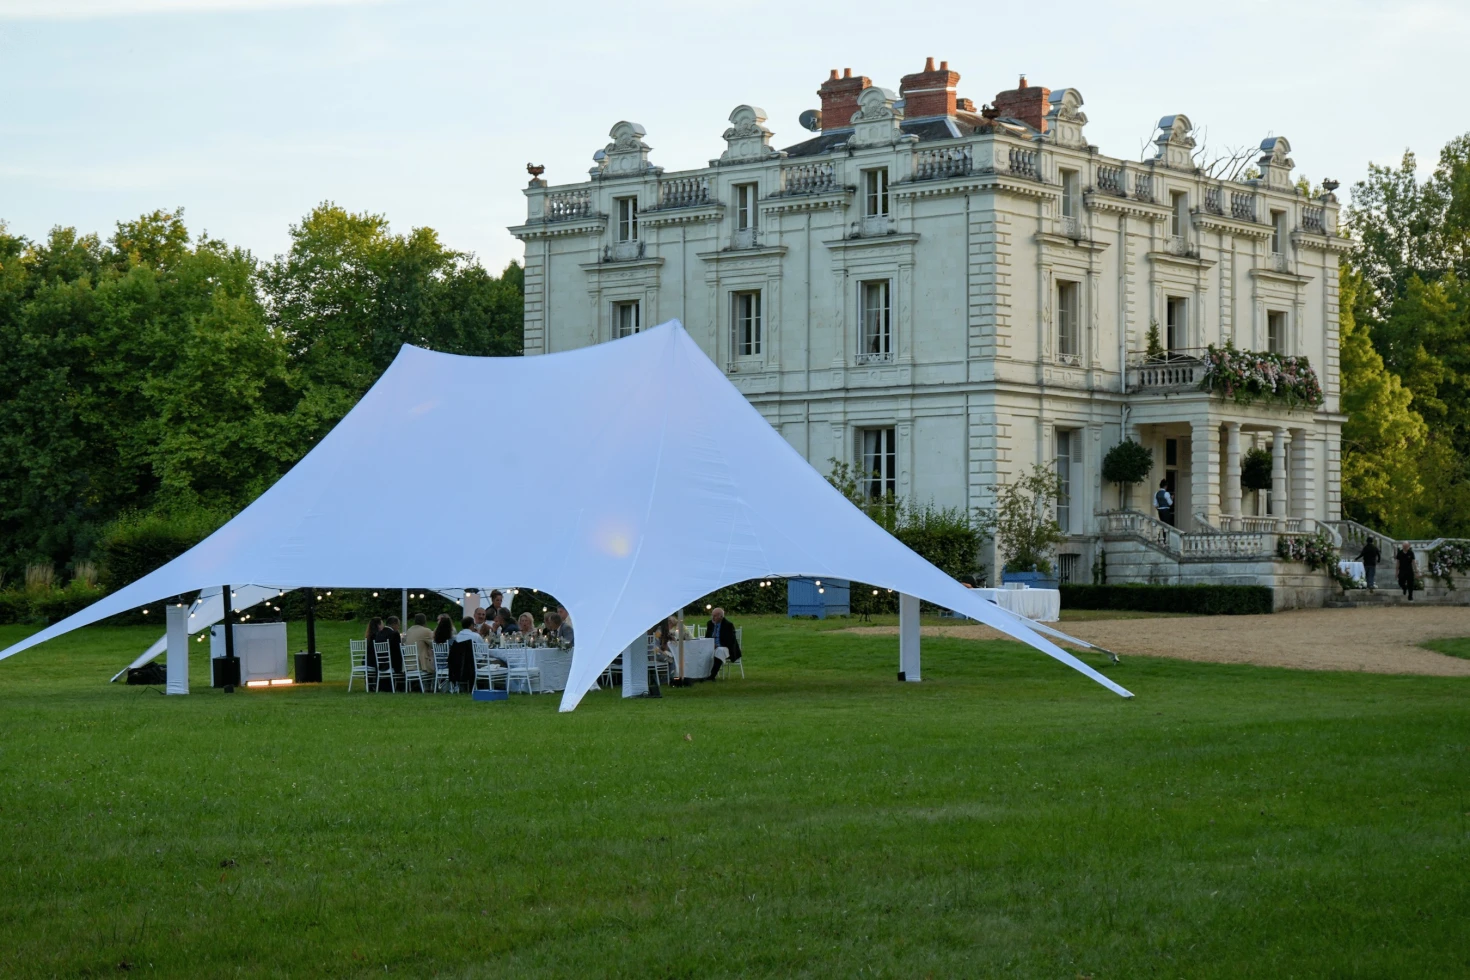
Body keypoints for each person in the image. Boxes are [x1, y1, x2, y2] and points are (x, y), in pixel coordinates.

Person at [704, 607, 741, 680]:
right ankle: (702, 675)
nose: (713, 618)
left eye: (715, 616)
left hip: (725, 647)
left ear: (721, 616)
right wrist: (710, 644)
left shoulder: (728, 625)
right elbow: (707, 637)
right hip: (712, 646)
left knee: (719, 651)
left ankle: (712, 676)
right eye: (712, 615)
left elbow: (730, 640)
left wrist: (718, 645)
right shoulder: (710, 624)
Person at [376, 615, 405, 681]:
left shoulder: (379, 633)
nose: (398, 627)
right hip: (391, 663)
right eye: (398, 625)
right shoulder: (394, 634)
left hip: (380, 662)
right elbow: (398, 650)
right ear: (394, 624)